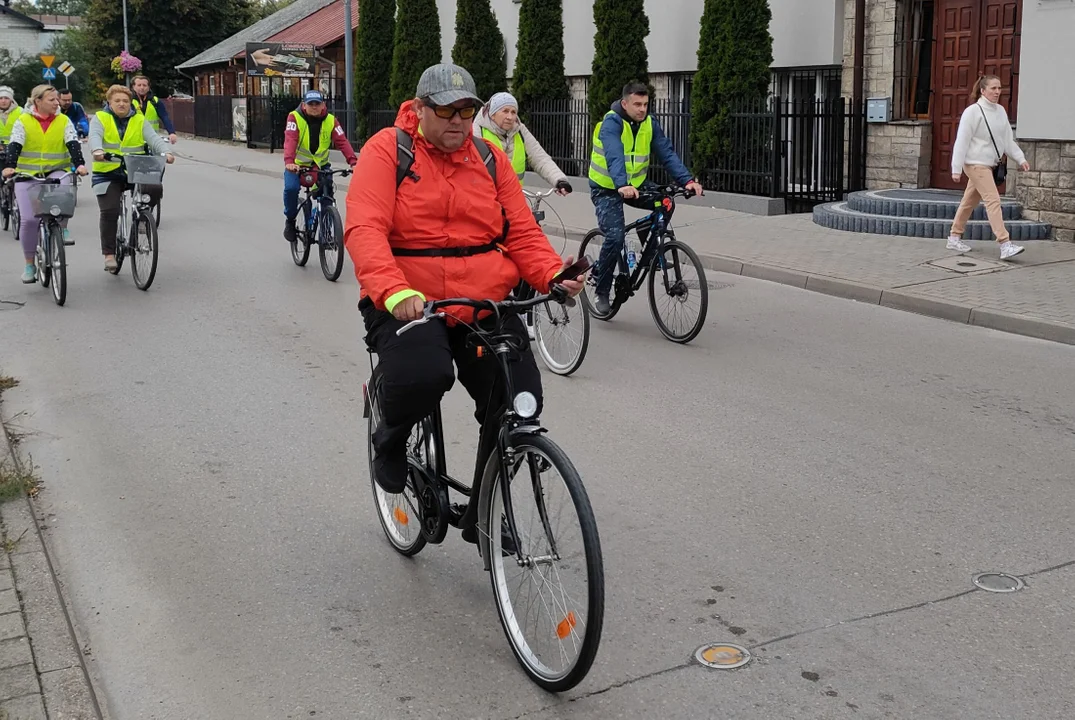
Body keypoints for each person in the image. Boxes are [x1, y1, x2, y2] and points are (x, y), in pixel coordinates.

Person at [343, 63, 585, 510]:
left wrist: (554, 274)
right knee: (425, 373)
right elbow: (365, 229)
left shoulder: (488, 158)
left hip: (484, 300)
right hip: (411, 301)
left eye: (466, 111)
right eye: (446, 110)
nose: (458, 120)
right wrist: (394, 292)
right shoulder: (388, 151)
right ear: (419, 109)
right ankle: (390, 439)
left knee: (519, 397)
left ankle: (484, 511)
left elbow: (522, 233)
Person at [588, 82, 703, 315]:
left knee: (667, 201)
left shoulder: (649, 124)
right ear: (625, 103)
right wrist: (622, 184)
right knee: (616, 236)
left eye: (645, 104)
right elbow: (614, 154)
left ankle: (648, 239)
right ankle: (601, 289)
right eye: (637, 104)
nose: (642, 109)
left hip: (636, 186)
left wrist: (687, 181)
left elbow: (667, 153)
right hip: (607, 188)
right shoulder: (611, 123)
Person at [1, 85, 87, 282]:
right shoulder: (23, 121)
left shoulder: (63, 120)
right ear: (37, 101)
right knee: (29, 220)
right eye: (51, 99)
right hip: (27, 173)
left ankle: (62, 228)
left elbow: (72, 143)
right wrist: (9, 166)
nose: (57, 102)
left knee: (65, 192)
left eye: (57, 99)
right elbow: (15, 144)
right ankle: (29, 264)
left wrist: (79, 164)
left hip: (57, 169)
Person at [89, 84, 174, 274]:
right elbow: (94, 136)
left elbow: (153, 138)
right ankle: (109, 254)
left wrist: (166, 152)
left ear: (130, 103)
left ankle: (142, 221)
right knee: (110, 210)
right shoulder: (100, 118)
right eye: (117, 101)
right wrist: (97, 150)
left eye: (125, 101)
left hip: (134, 168)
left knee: (153, 189)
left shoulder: (138, 118)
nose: (122, 104)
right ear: (109, 102)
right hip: (107, 170)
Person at [947, 74, 1030, 261]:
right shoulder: (972, 112)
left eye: (999, 88)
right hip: (975, 164)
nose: (997, 92)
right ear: (982, 91)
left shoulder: (1000, 111)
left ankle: (954, 236)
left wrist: (1020, 158)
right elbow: (962, 141)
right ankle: (1004, 243)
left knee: (969, 201)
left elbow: (1007, 140)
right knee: (993, 200)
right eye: (993, 88)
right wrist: (956, 168)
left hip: (989, 165)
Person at [282, 90, 357, 243]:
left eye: (317, 104)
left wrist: (353, 162)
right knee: (291, 189)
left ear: (323, 105)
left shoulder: (331, 120)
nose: (314, 107)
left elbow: (342, 141)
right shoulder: (294, 117)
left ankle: (326, 232)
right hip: (297, 166)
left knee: (327, 195)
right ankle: (290, 221)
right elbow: (290, 139)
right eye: (311, 104)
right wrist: (289, 162)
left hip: (321, 166)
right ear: (304, 105)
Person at [472, 91, 573, 193]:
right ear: (492, 114)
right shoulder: (477, 131)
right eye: (505, 111)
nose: (510, 117)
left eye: (513, 112)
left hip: (514, 197)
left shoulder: (519, 130)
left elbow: (540, 158)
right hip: (486, 197)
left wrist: (559, 180)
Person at [130, 75, 177, 144]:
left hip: (151, 138)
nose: (142, 87)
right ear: (133, 87)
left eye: (144, 85)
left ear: (148, 87)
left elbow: (164, 117)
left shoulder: (155, 101)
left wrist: (171, 132)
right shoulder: (128, 101)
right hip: (133, 138)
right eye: (139, 85)